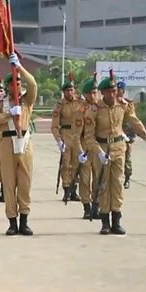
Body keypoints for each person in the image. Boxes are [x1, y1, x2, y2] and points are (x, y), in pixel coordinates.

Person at [84, 71, 146, 235]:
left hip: (118, 148)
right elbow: (89, 136)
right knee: (103, 186)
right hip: (102, 150)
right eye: (108, 92)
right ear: (102, 93)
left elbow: (134, 121)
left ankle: (116, 220)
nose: (112, 94)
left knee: (117, 185)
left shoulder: (123, 105)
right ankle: (105, 222)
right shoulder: (94, 110)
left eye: (114, 91)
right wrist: (98, 152)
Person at [0, 54, 38, 235]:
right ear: (8, 86)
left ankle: (24, 220)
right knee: (9, 184)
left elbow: (33, 84)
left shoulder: (26, 100)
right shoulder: (1, 104)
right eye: (13, 83)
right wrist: (8, 114)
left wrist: (20, 67)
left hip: (24, 142)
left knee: (25, 183)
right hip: (7, 143)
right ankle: (12, 222)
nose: (16, 85)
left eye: (18, 82)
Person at [50, 74, 83, 202]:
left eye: (72, 89)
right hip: (66, 135)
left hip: (78, 136)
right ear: (63, 92)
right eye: (67, 90)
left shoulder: (80, 102)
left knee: (76, 164)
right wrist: (59, 140)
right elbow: (54, 126)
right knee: (66, 164)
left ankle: (74, 189)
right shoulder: (59, 105)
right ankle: (66, 189)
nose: (70, 92)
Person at [77, 74, 102, 219]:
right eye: (90, 93)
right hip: (84, 146)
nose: (93, 95)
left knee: (98, 178)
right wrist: (79, 151)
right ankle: (86, 207)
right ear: (86, 94)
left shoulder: (100, 108)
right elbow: (75, 134)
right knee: (85, 179)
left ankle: (96, 206)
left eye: (95, 92)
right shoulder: (80, 110)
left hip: (97, 146)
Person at [116, 81, 136, 189]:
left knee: (127, 157)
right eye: (117, 90)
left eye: (120, 90)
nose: (118, 92)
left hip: (126, 135)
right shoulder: (112, 103)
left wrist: (130, 136)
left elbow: (131, 120)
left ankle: (127, 178)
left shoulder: (128, 104)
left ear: (123, 91)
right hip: (115, 135)